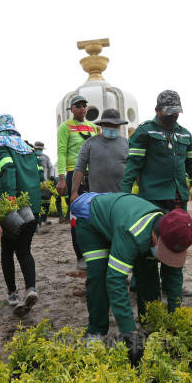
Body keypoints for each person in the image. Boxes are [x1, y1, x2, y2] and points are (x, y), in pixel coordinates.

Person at [72, 192, 192, 362]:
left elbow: (173, 280)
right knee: (99, 276)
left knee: (148, 273)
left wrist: (175, 323)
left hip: (121, 220)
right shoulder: (132, 233)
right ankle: (96, 331)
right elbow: (115, 280)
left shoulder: (174, 234)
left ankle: (149, 324)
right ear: (154, 235)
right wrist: (129, 333)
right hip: (93, 223)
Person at [121, 89, 192, 302]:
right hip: (152, 199)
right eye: (168, 112)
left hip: (178, 199)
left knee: (175, 240)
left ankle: (172, 285)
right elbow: (133, 166)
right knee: (149, 245)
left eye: (176, 112)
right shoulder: (144, 132)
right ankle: (143, 284)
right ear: (157, 110)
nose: (173, 116)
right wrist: (123, 195)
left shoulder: (185, 134)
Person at [0, 114, 43, 317]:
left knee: (7, 250)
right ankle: (31, 288)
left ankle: (12, 293)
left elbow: (8, 170)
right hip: (32, 207)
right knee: (25, 250)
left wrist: (9, 200)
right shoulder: (27, 148)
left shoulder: (0, 147)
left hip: (12, 207)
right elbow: (40, 174)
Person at [56, 95, 98, 267]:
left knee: (96, 213)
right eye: (78, 106)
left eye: (84, 105)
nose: (82, 108)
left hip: (94, 174)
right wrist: (61, 178)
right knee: (78, 215)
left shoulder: (94, 128)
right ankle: (80, 255)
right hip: (74, 174)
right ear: (71, 109)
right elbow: (61, 152)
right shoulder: (65, 127)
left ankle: (96, 252)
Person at [70, 108, 129, 202]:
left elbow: (134, 168)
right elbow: (79, 168)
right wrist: (74, 192)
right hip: (97, 198)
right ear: (102, 125)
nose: (112, 128)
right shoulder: (89, 143)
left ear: (119, 126)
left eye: (115, 125)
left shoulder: (127, 143)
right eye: (108, 125)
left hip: (121, 198)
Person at [33, 141, 56, 227]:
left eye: (40, 149)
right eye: (37, 149)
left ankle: (44, 218)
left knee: (46, 202)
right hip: (35, 183)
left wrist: (52, 176)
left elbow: (50, 168)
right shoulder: (32, 157)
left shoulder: (46, 158)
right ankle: (38, 221)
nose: (38, 150)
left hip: (45, 183)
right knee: (37, 203)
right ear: (34, 149)